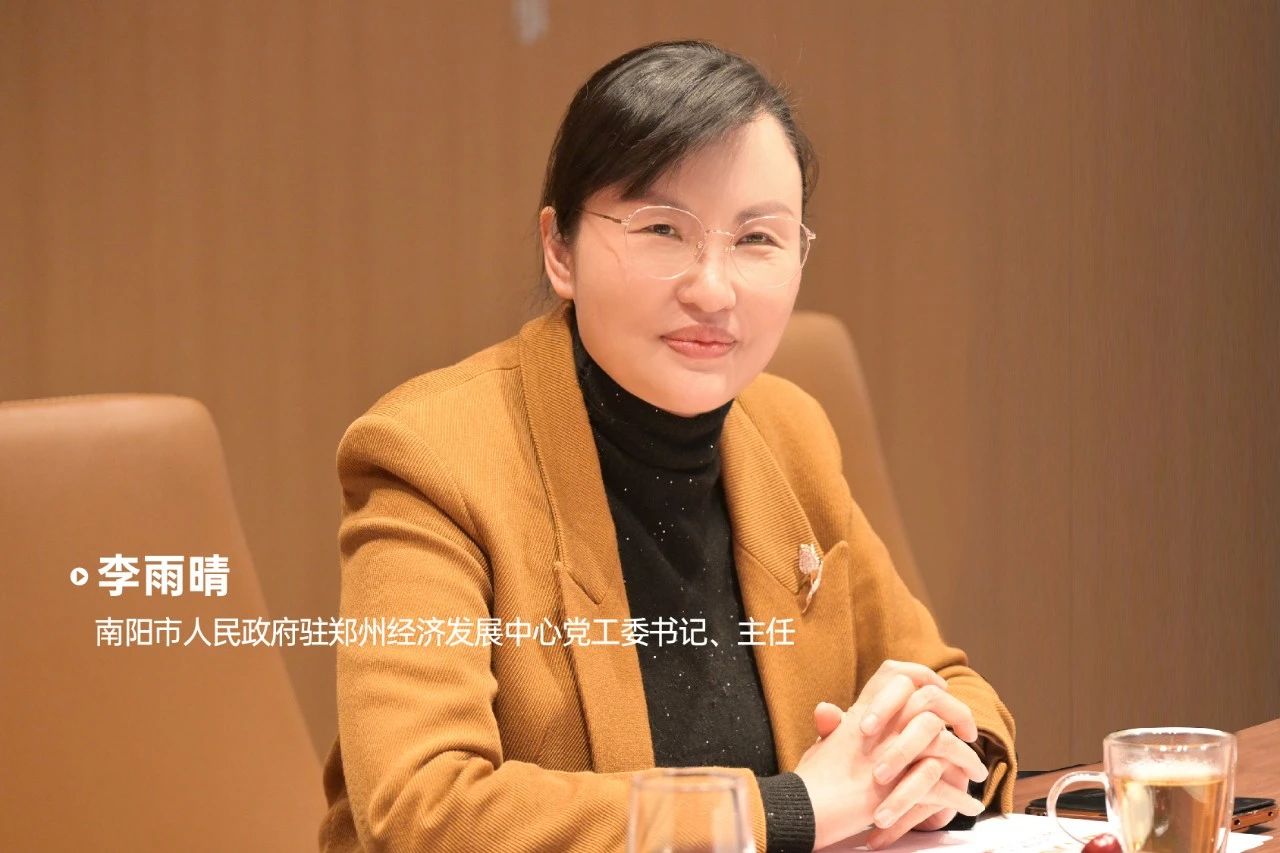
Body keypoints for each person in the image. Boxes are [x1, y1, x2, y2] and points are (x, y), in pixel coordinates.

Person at [318, 39, 1016, 853]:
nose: (713, 289)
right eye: (662, 229)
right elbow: (425, 808)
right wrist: (791, 809)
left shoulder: (788, 429)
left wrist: (934, 764)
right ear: (560, 250)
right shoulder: (433, 455)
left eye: (758, 239)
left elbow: (950, 685)